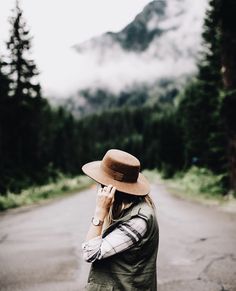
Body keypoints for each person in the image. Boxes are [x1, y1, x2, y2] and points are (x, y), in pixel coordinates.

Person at [81, 149, 159, 291]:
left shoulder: (138, 219)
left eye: (102, 183)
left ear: (111, 188)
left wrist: (99, 212)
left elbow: (90, 253)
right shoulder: (125, 208)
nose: (100, 187)